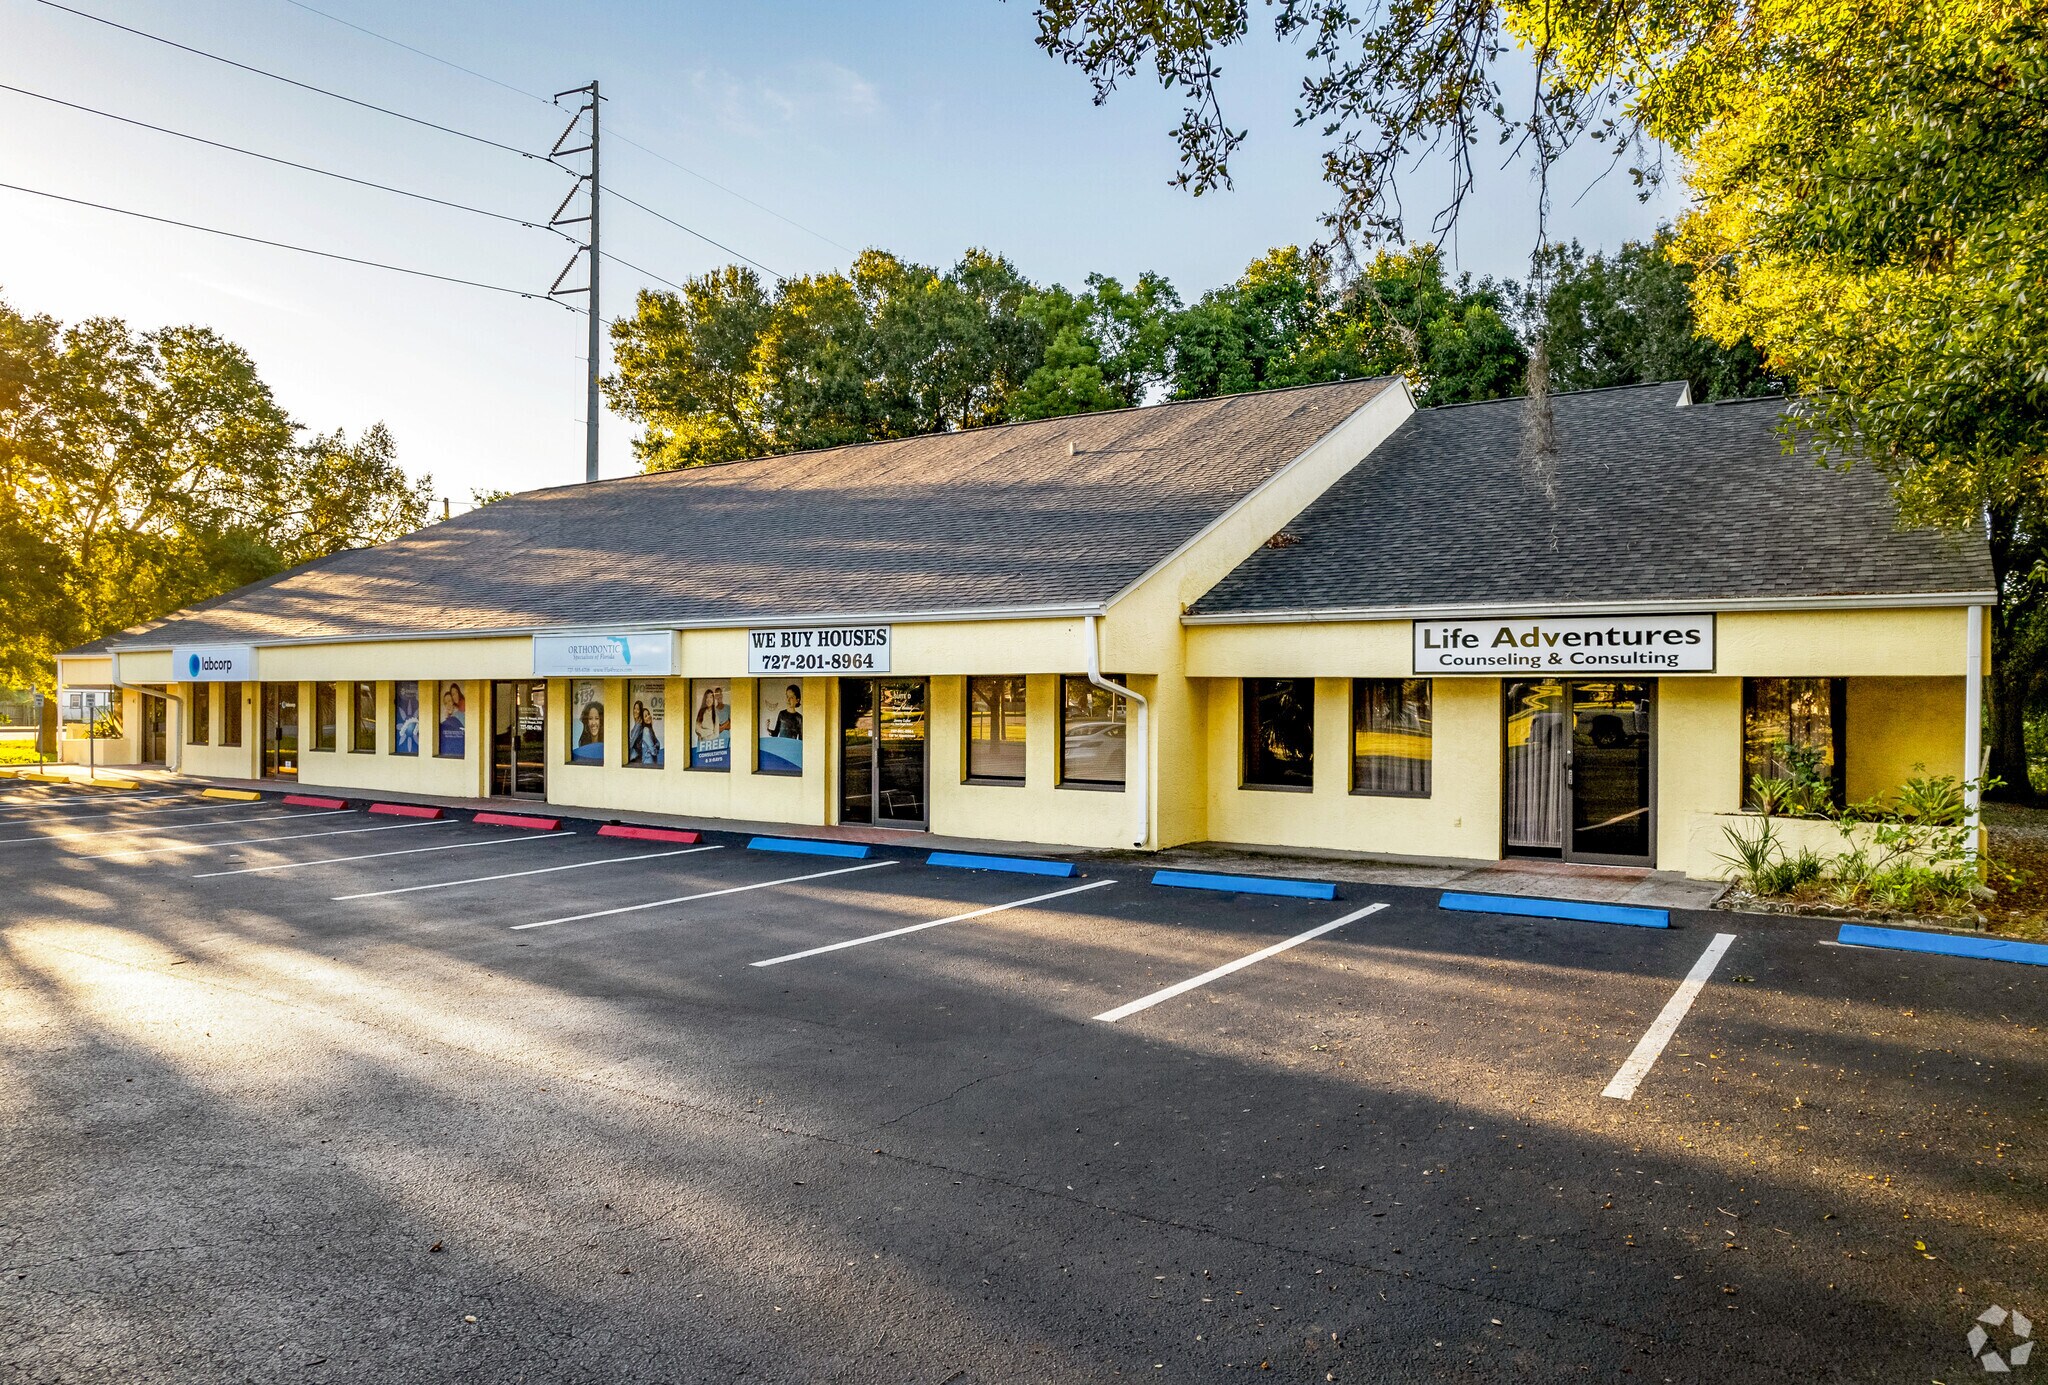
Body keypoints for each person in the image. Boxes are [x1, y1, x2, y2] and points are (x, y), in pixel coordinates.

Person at [627, 699, 663, 767]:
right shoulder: (643, 727)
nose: (635, 711)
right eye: (634, 708)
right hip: (645, 758)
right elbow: (656, 745)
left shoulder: (641, 726)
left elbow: (631, 743)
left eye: (638, 709)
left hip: (639, 758)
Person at [437, 682, 465, 757]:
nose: (448, 705)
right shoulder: (445, 721)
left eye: (449, 701)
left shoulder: (461, 715)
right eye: (445, 703)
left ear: (453, 701)